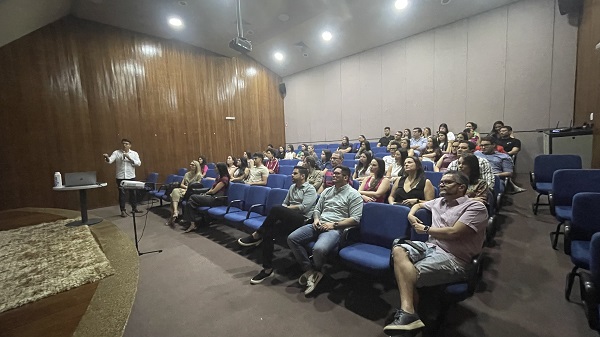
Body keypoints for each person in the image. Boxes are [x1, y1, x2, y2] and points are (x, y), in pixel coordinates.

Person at [383, 171, 488, 333]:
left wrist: (425, 229)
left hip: (454, 258)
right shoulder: (439, 202)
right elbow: (418, 204)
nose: (441, 184)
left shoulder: (475, 207)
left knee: (407, 274)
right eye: (441, 182)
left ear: (461, 187)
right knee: (398, 248)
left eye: (447, 182)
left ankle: (408, 320)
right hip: (430, 247)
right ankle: (409, 313)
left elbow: (454, 233)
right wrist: (411, 215)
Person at [287, 166, 363, 295]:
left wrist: (333, 225)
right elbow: (317, 209)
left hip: (335, 228)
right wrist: (316, 219)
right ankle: (309, 270)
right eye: (333, 173)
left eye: (337, 174)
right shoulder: (327, 191)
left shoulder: (354, 194)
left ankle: (318, 272)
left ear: (345, 177)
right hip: (318, 224)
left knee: (318, 249)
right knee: (292, 238)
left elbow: (355, 219)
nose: (333, 175)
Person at [237, 166, 318, 284]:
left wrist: (284, 209)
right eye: (292, 173)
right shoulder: (292, 187)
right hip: (289, 219)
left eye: (295, 173)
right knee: (268, 234)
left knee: (276, 209)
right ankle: (267, 268)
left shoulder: (310, 189)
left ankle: (257, 234)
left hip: (302, 220)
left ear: (302, 176)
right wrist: (284, 209)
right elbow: (285, 203)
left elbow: (304, 208)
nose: (292, 175)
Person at [182, 162, 230, 233]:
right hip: (212, 197)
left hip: (216, 199)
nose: (215, 169)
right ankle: (194, 222)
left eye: (216, 167)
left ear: (220, 169)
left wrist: (206, 193)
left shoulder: (224, 179)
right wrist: (205, 194)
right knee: (191, 202)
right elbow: (212, 188)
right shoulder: (219, 177)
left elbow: (213, 191)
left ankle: (193, 221)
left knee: (192, 197)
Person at [103, 138, 142, 217]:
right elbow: (110, 161)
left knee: (133, 193)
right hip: (120, 177)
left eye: (126, 144)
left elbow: (138, 164)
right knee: (122, 194)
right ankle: (123, 211)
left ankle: (134, 208)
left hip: (131, 176)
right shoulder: (116, 152)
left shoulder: (134, 153)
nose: (124, 145)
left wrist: (129, 158)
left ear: (130, 145)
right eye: (123, 144)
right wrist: (107, 157)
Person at [166, 160, 203, 226]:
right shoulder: (187, 174)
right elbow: (181, 184)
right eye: (190, 164)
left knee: (173, 196)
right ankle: (175, 211)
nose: (190, 166)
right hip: (184, 189)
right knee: (175, 191)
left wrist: (188, 188)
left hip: (191, 192)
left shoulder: (199, 175)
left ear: (196, 166)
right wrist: (186, 187)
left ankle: (173, 215)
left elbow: (198, 186)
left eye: (192, 165)